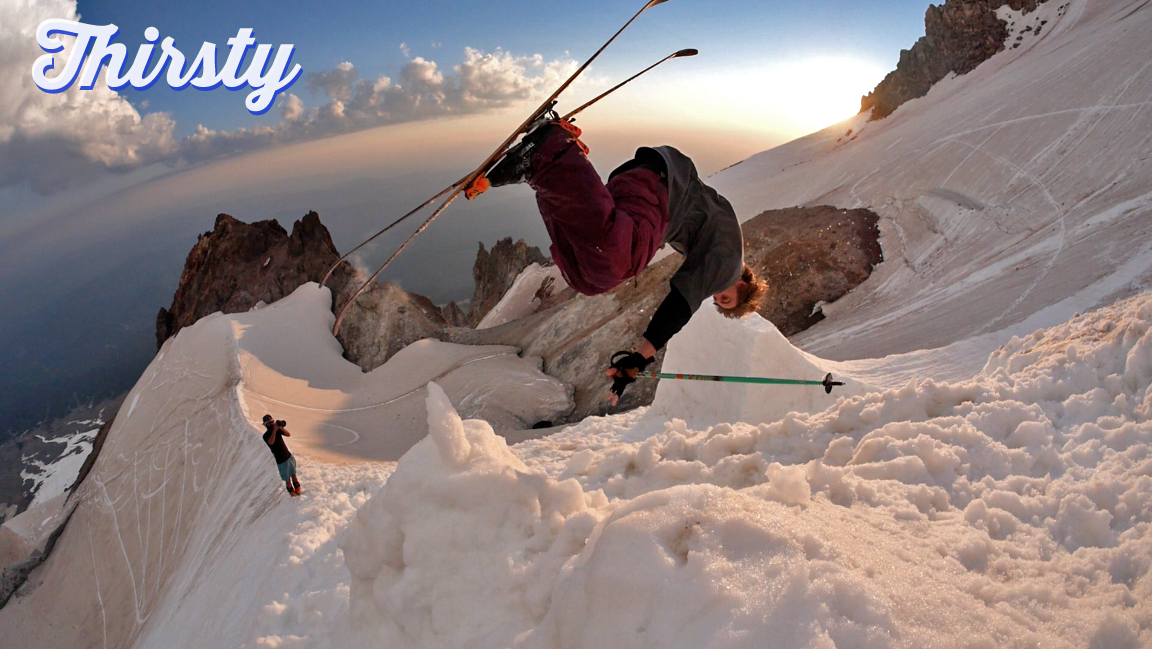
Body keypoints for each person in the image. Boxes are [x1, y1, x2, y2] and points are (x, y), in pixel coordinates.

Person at [482, 113, 767, 403]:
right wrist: (640, 358)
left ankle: (542, 173)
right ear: (742, 284)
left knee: (587, 279)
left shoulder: (722, 247)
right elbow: (680, 306)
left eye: (718, 300)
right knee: (617, 262)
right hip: (660, 187)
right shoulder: (729, 267)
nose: (715, 294)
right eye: (725, 298)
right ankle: (553, 150)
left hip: (649, 184)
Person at [262, 414, 300, 496]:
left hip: (288, 455)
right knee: (287, 479)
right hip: (281, 460)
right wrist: (274, 431)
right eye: (269, 423)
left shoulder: (278, 430)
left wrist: (281, 427)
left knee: (293, 474)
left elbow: (288, 434)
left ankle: (298, 490)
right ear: (265, 425)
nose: (271, 424)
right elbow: (271, 442)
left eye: (272, 422)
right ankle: (292, 493)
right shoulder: (266, 435)